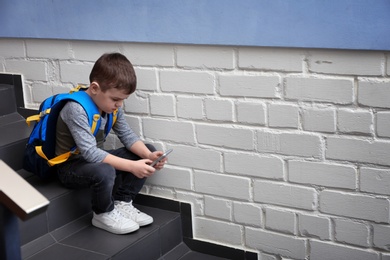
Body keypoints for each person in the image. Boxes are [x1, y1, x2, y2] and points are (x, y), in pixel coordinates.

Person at [55, 52, 166, 235]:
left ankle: (122, 202)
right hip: (69, 167)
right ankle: (102, 213)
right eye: (115, 99)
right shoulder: (75, 109)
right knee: (105, 169)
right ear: (95, 88)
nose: (120, 104)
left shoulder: (112, 108)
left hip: (91, 160)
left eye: (123, 99)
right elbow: (90, 153)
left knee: (147, 150)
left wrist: (148, 156)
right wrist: (132, 166)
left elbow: (127, 135)